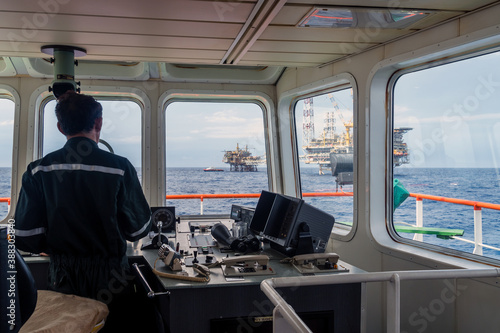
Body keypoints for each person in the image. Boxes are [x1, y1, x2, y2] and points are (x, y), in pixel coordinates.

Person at [13, 91, 152, 327]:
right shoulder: (119, 168)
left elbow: (24, 236)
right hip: (112, 278)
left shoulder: (39, 170)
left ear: (60, 127)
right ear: (98, 123)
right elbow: (138, 229)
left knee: (72, 328)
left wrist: (52, 246)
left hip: (63, 276)